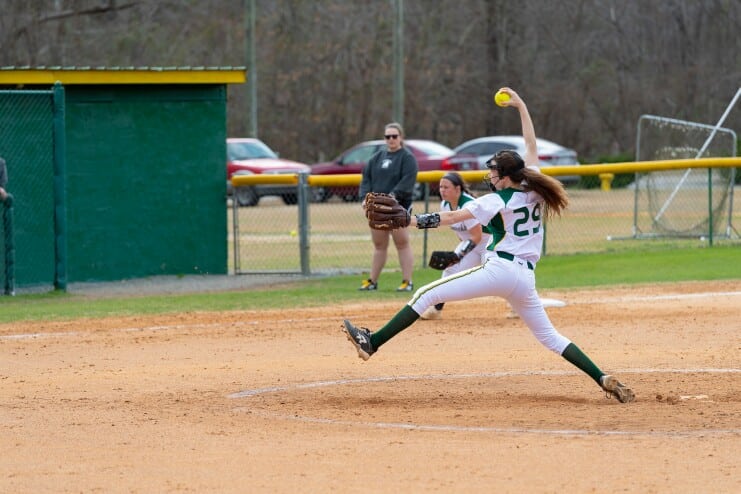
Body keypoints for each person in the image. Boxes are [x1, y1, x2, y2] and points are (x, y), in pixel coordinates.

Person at [342, 88, 635, 403]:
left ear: (506, 178)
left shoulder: (498, 198)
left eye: (494, 172)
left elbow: (452, 216)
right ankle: (602, 377)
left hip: (502, 268)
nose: (490, 176)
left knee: (426, 293)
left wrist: (411, 221)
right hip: (525, 278)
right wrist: (522, 106)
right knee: (550, 337)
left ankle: (371, 342)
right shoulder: (535, 187)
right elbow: (531, 144)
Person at [419, 172, 492, 319]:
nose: (442, 190)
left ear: (458, 189)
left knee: (497, 275)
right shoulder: (445, 205)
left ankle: (517, 307)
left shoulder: (468, 205)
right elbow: (461, 233)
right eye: (440, 187)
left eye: (446, 187)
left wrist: (459, 255)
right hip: (471, 243)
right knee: (450, 271)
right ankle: (436, 310)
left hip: (489, 243)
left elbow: (477, 236)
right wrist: (459, 255)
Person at [358, 122, 418, 292]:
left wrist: (392, 197)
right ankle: (372, 281)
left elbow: (407, 181)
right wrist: (365, 198)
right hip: (377, 207)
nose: (391, 139)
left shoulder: (407, 158)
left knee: (401, 242)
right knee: (379, 244)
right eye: (387, 136)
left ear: (401, 138)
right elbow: (366, 180)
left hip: (398, 206)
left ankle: (407, 281)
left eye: (394, 136)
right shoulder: (376, 158)